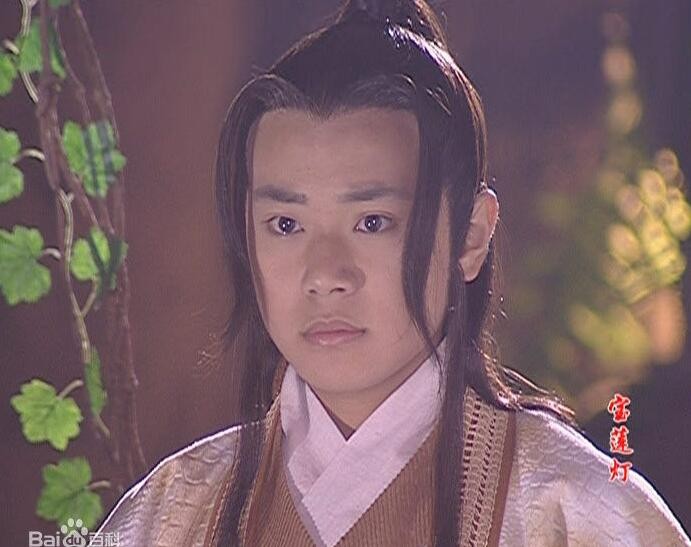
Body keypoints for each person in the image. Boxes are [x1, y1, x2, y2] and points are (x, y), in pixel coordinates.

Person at [90, 1, 691, 545]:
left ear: (471, 236)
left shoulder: (575, 514)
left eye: (372, 222)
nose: (325, 275)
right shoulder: (172, 514)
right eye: (285, 225)